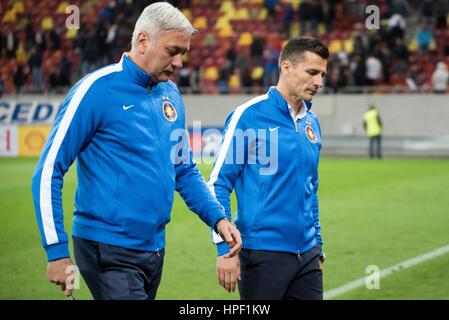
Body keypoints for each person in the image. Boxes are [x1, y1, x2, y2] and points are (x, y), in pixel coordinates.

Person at [31, 2, 241, 300]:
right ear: (143, 41)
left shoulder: (170, 93)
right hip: (107, 248)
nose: (180, 62)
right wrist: (56, 251)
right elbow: (48, 170)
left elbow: (183, 168)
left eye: (183, 53)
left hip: (154, 249)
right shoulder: (96, 90)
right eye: (173, 51)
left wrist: (218, 219)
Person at [208, 37, 328, 299]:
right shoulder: (248, 116)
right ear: (286, 67)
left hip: (307, 257)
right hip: (262, 256)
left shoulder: (313, 123)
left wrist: (317, 244)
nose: (319, 82)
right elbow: (218, 184)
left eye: (322, 74)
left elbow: (311, 188)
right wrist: (224, 249)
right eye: (312, 72)